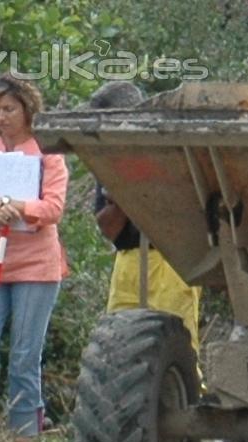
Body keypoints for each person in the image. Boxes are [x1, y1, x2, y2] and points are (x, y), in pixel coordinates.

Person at [0, 75, 69, 439]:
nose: (2, 117)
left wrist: (16, 206)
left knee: (23, 360)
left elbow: (53, 207)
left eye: (10, 108)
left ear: (27, 109)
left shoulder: (48, 152)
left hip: (37, 267)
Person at [90, 82, 201, 354]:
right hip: (127, 258)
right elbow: (108, 227)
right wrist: (124, 193)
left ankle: (187, 396)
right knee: (115, 347)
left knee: (177, 345)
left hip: (174, 260)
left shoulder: (170, 146)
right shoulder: (107, 159)